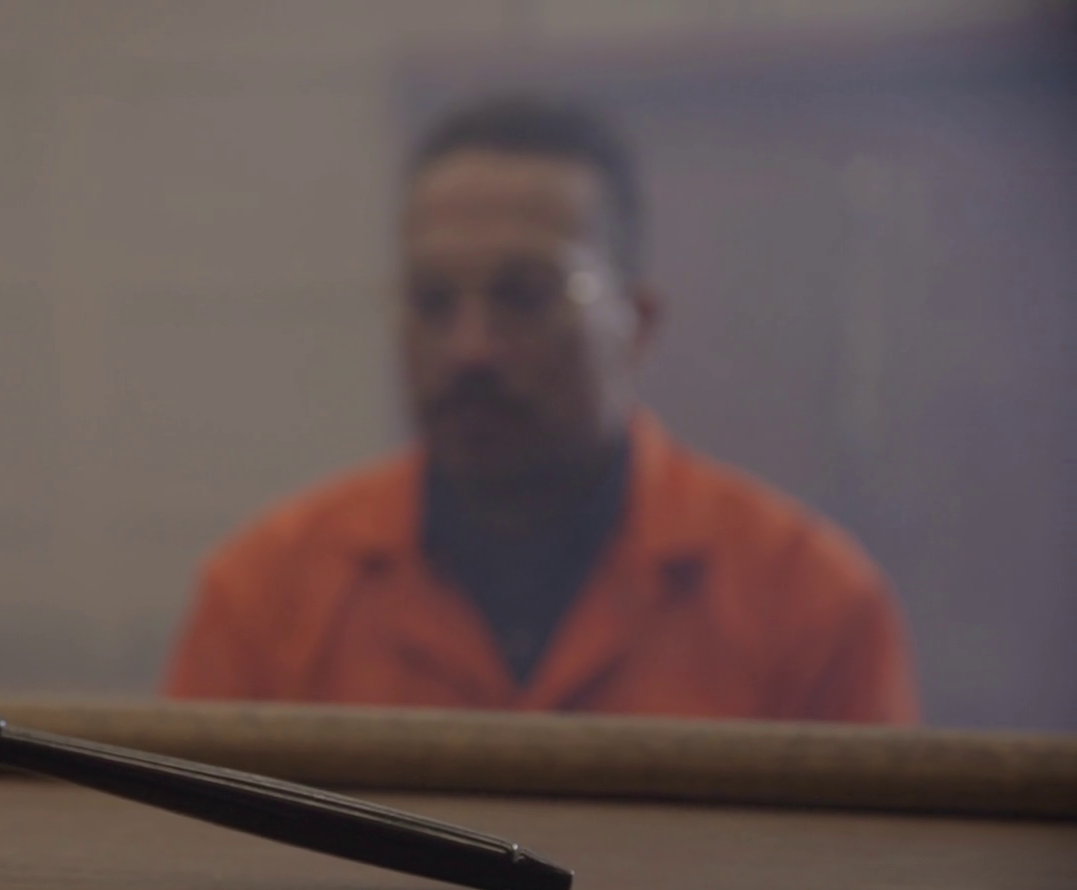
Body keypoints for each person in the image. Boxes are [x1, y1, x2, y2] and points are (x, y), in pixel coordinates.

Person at [162, 95, 918, 724]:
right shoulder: (265, 595)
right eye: (432, 300)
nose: (470, 350)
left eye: (523, 296)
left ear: (636, 323)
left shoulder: (807, 603)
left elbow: (866, 862)